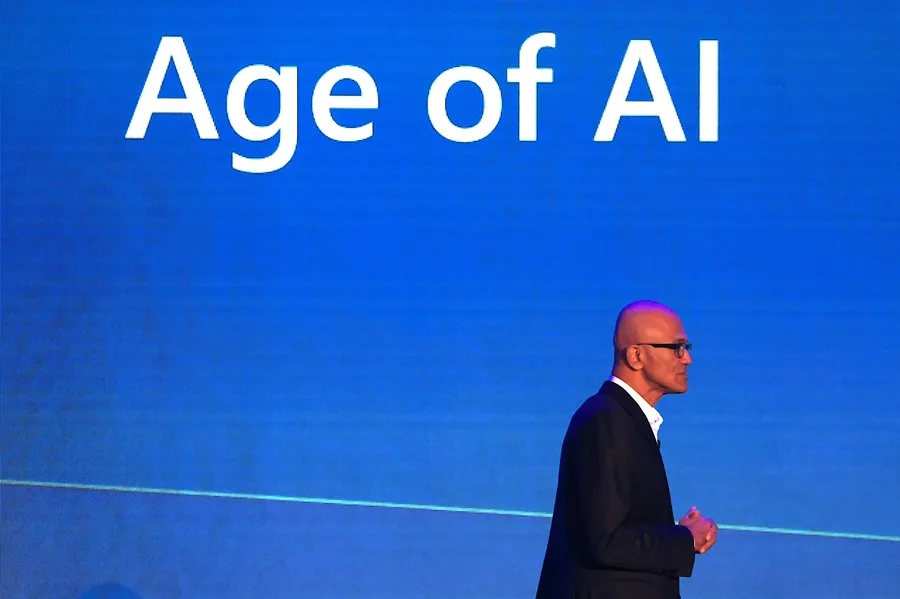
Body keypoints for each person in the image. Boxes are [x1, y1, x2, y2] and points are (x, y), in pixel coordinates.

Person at [535, 300, 718, 599]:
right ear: (636, 355)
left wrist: (674, 533)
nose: (687, 360)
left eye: (687, 348)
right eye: (677, 348)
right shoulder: (607, 421)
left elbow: (612, 527)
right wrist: (684, 539)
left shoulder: (624, 420)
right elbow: (604, 541)